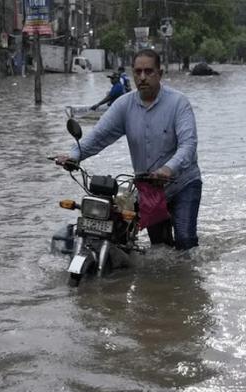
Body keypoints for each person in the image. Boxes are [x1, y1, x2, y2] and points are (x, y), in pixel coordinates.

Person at [57, 49, 202, 251]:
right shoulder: (124, 105)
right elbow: (99, 136)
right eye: (138, 72)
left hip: (182, 183)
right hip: (149, 188)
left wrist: (167, 170)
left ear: (159, 74)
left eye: (149, 71)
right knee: (159, 249)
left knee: (185, 241)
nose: (142, 77)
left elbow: (188, 145)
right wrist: (74, 156)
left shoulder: (178, 103)